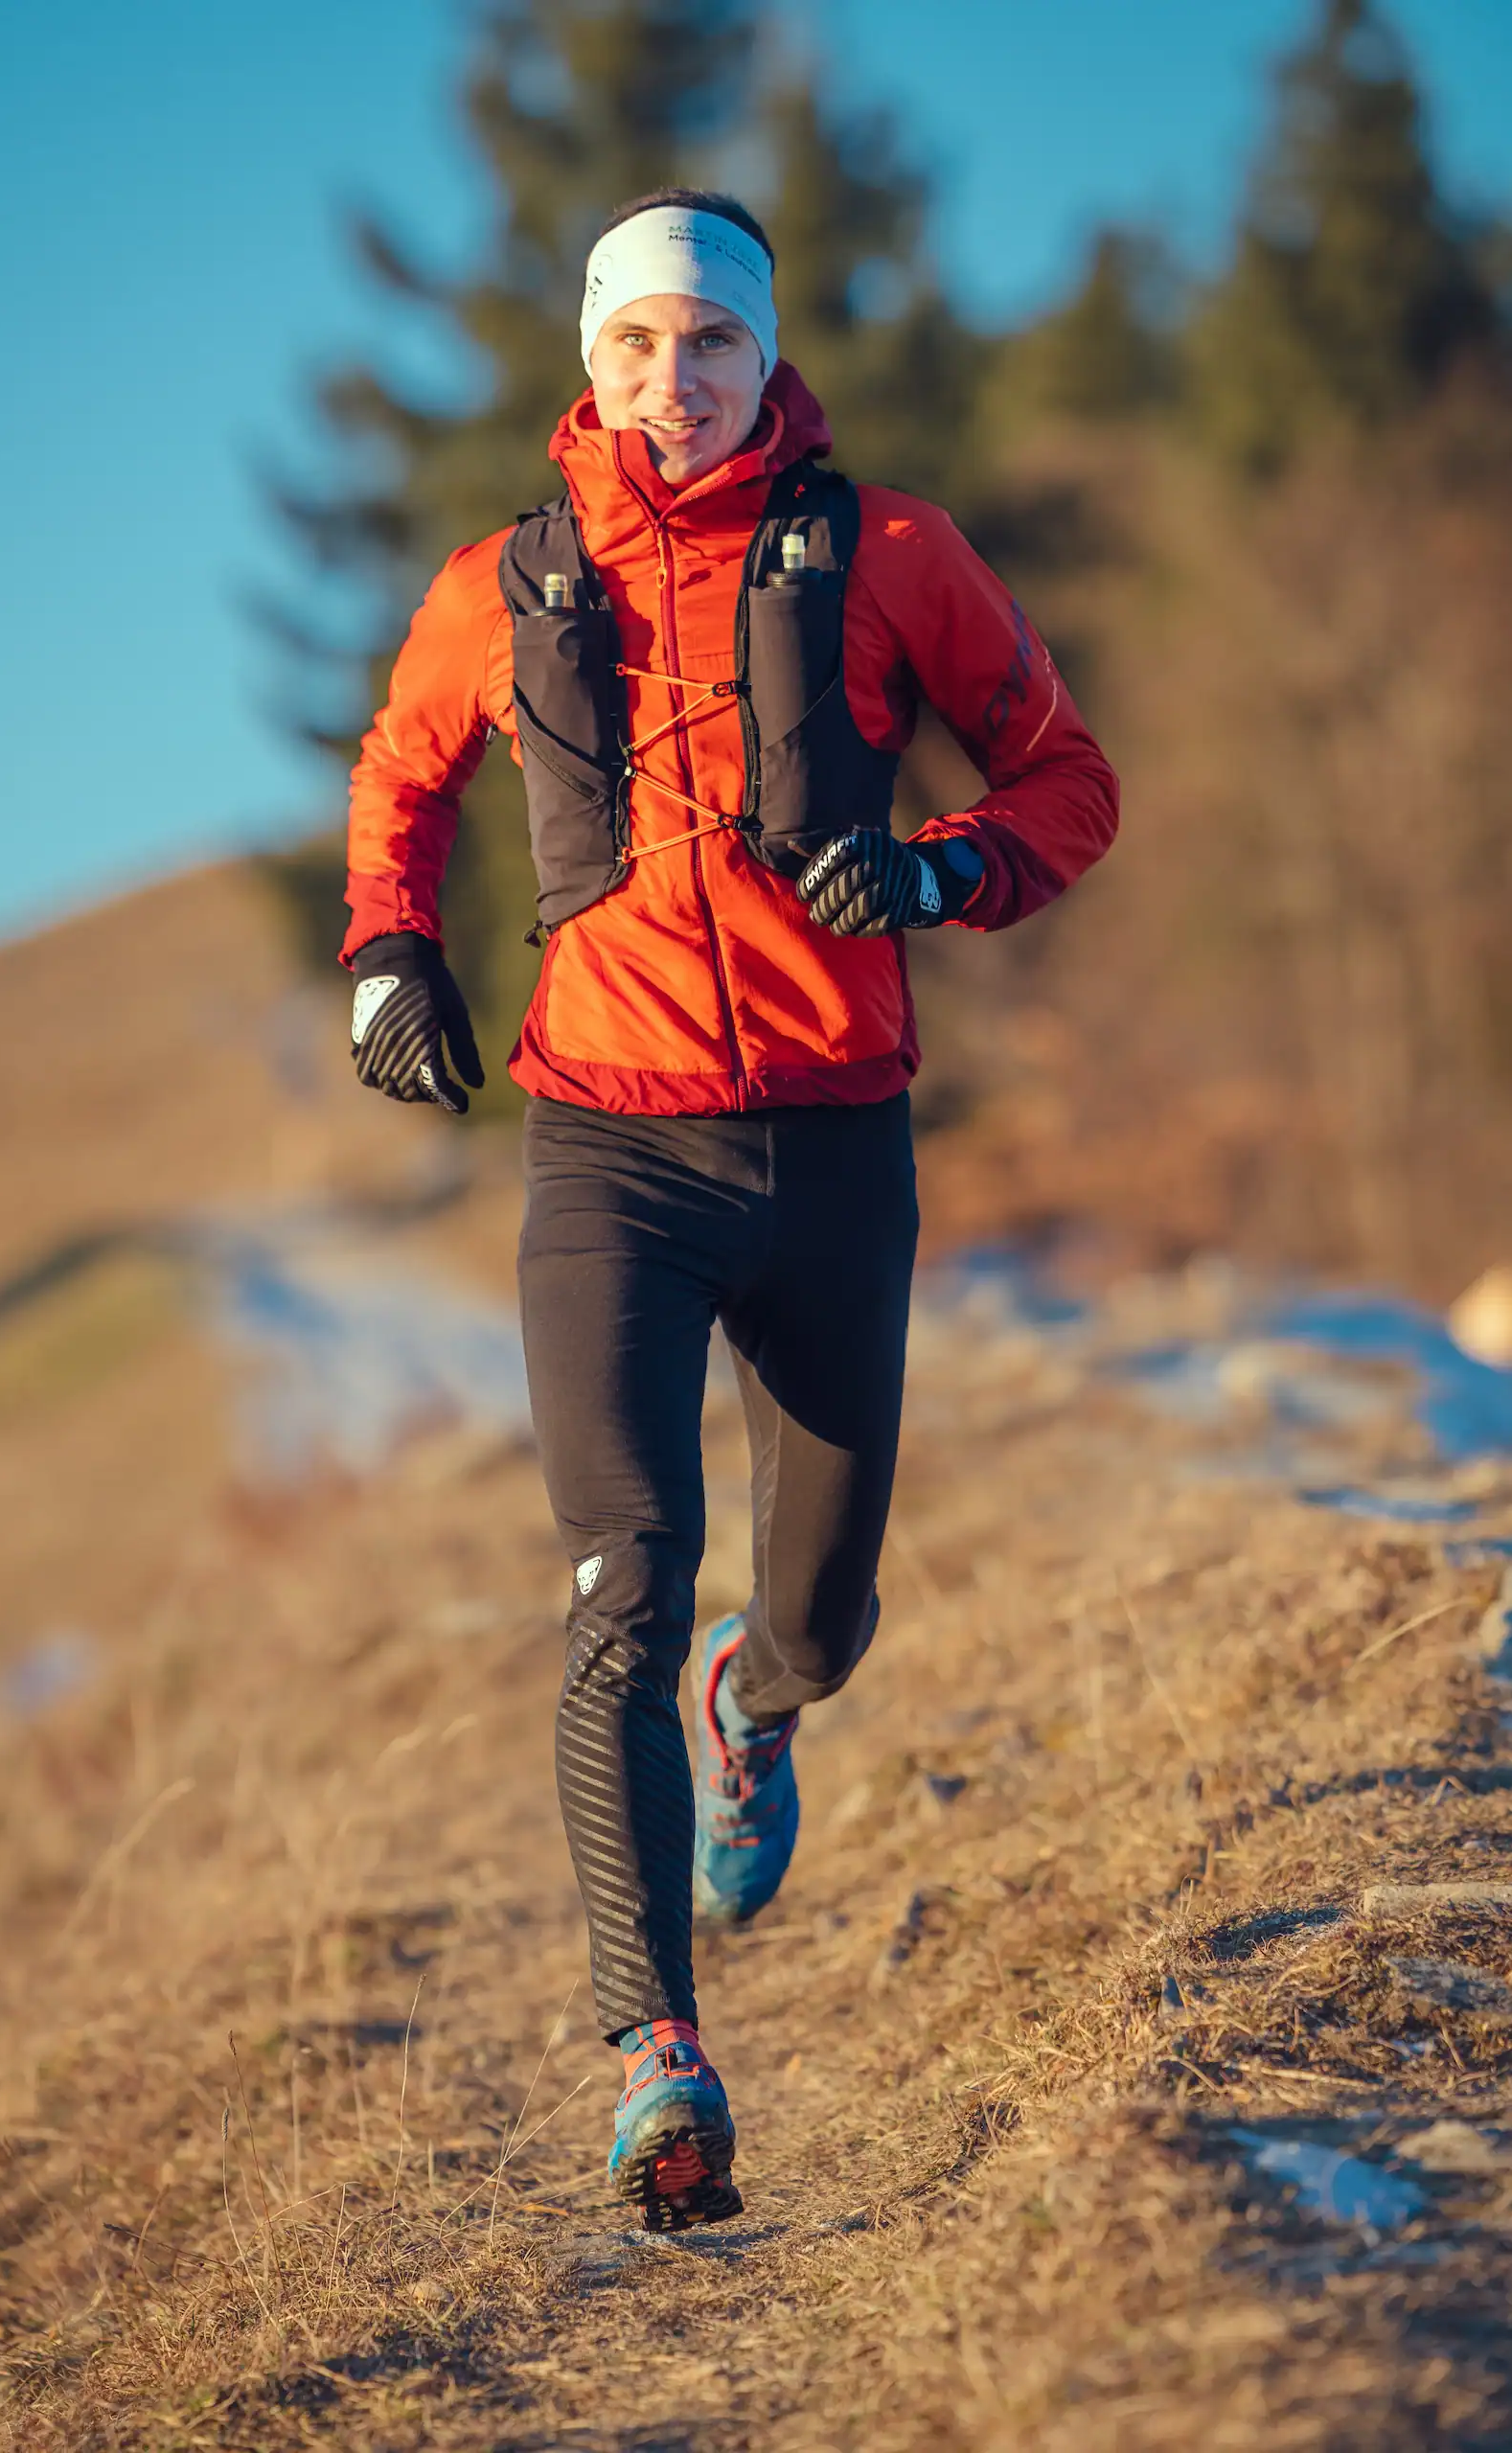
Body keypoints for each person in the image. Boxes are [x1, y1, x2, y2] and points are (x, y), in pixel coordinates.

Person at [342, 191, 1118, 2231]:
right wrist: (387, 946)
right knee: (620, 1577)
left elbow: (1062, 777)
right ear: (582, 366)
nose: (669, 381)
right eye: (630, 346)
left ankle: (755, 1708)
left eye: (706, 343)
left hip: (834, 1141)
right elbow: (400, 774)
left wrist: (946, 873)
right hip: (609, 1148)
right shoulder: (504, 580)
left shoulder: (890, 555)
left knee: (821, 1614)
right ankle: (656, 2055)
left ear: (762, 360)